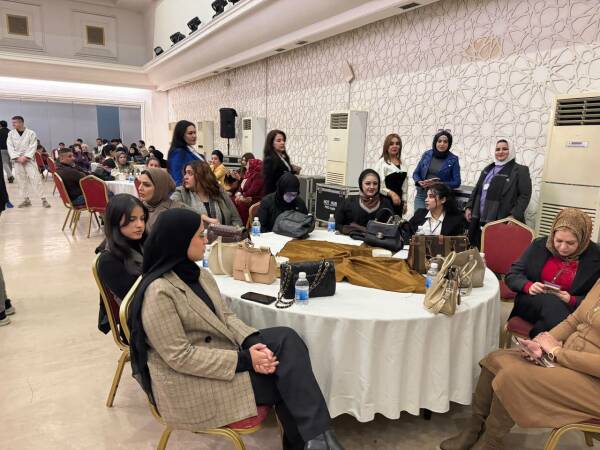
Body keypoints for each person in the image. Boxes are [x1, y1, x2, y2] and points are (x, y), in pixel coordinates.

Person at [128, 208, 345, 450]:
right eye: (200, 236)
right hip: (191, 382)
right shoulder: (159, 293)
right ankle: (317, 442)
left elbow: (226, 316)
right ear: (180, 242)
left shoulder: (198, 274)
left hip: (217, 354)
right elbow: (180, 357)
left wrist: (253, 344)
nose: (206, 240)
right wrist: (246, 360)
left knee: (287, 338)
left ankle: (317, 442)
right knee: (289, 378)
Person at [439, 279, 600, 450]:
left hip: (592, 383)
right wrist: (540, 344)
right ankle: (475, 428)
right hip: (569, 358)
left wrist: (557, 352)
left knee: (513, 377)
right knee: (496, 360)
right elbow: (573, 320)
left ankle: (491, 443)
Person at [505, 208, 600, 338]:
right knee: (553, 304)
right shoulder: (540, 245)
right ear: (553, 235)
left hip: (572, 309)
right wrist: (529, 286)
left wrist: (571, 299)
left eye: (570, 243)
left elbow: (597, 298)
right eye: (558, 241)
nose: (563, 247)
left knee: (554, 316)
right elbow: (513, 275)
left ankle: (537, 343)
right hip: (532, 301)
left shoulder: (596, 256)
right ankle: (552, 345)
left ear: (583, 239)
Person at [465, 139, 532, 248]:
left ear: (511, 151)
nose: (500, 152)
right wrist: (469, 206)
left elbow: (525, 195)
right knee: (478, 249)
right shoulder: (488, 169)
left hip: (504, 219)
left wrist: (514, 216)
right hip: (479, 218)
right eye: (497, 149)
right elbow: (477, 189)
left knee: (498, 250)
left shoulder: (520, 170)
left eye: (505, 149)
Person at [97, 194, 147, 307]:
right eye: (132, 219)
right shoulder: (108, 261)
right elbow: (135, 300)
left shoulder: (144, 242)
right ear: (115, 220)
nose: (140, 225)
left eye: (142, 218)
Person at [171, 160, 242, 227]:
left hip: (225, 235)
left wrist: (233, 232)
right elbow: (171, 204)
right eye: (185, 173)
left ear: (202, 175)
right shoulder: (181, 192)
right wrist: (203, 217)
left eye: (190, 173)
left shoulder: (219, 191)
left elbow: (236, 219)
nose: (185, 177)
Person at [6, 116, 50, 208]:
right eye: (12, 123)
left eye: (15, 122)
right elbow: (9, 146)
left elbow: (33, 146)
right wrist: (17, 157)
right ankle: (26, 200)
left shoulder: (31, 133)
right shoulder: (11, 133)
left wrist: (25, 157)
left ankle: (43, 199)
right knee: (21, 180)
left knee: (35, 178)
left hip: (29, 160)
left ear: (21, 122)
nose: (13, 124)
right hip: (17, 160)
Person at [412, 129, 460, 210]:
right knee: (419, 217)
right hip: (422, 195)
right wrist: (419, 181)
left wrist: (438, 184)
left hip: (439, 197)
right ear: (435, 142)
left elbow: (456, 182)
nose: (442, 144)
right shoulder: (427, 154)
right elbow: (416, 173)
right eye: (439, 141)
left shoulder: (453, 159)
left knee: (435, 218)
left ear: (449, 144)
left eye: (445, 142)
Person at [334, 169, 393, 234]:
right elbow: (336, 224)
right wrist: (351, 230)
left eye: (375, 183)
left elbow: (391, 229)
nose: (372, 187)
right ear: (361, 184)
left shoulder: (386, 204)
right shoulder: (349, 202)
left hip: (375, 240)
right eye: (367, 183)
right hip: (351, 239)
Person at [374, 133, 408, 216]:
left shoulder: (403, 163)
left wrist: (405, 202)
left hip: (398, 202)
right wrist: (392, 194)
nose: (395, 146)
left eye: (397, 144)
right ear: (386, 146)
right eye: (391, 144)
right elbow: (378, 185)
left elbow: (405, 185)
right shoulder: (381, 163)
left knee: (397, 223)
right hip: (384, 202)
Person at [262, 130, 300, 196]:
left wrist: (293, 171)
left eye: (283, 140)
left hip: (287, 193)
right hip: (276, 196)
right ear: (271, 143)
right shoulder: (270, 159)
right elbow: (269, 183)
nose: (282, 143)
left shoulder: (284, 157)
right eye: (278, 141)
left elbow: (284, 174)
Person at [167, 120, 205, 186]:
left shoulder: (190, 150)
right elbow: (178, 179)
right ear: (181, 135)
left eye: (195, 132)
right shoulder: (178, 153)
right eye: (190, 133)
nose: (194, 136)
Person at [234, 158, 264, 225]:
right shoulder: (248, 174)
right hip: (246, 196)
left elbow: (253, 191)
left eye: (248, 164)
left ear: (253, 165)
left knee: (241, 204)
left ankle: (243, 225)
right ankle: (235, 223)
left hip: (254, 199)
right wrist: (239, 193)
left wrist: (242, 196)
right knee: (232, 200)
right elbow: (241, 186)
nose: (246, 166)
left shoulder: (258, 175)